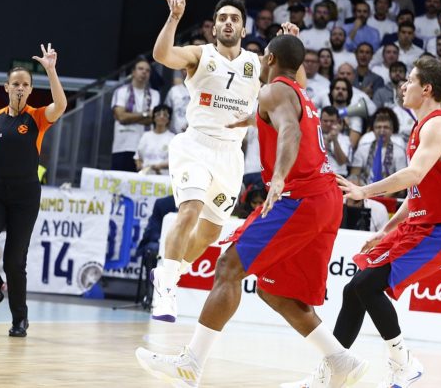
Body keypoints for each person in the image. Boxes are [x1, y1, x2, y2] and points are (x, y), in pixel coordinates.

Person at [136, 34, 369, 388]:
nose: (258, 61)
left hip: (299, 198)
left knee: (229, 266)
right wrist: (248, 122)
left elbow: (289, 130)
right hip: (325, 200)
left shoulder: (273, 90)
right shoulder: (301, 95)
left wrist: (277, 177)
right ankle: (341, 360)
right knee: (275, 290)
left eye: (262, 57)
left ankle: (191, 363)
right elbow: (283, 120)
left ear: (271, 58)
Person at [323, 56, 441, 388]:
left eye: (410, 81)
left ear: (426, 88)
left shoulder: (438, 125)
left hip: (436, 232)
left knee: (365, 285)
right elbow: (417, 192)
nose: (403, 86)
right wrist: (386, 231)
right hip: (415, 226)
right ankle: (332, 371)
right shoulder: (420, 127)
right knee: (353, 289)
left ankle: (403, 363)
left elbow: (412, 175)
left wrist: (363, 191)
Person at [147, 0, 267, 323]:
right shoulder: (201, 55)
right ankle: (166, 290)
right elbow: (162, 54)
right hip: (195, 147)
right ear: (214, 27)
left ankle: (168, 272)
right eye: (223, 18)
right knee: (189, 211)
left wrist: (291, 47)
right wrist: (174, 18)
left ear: (244, 29)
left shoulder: (257, 64)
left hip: (230, 155)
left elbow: (294, 88)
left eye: (235, 19)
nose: (228, 22)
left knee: (211, 233)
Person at [0, 43, 67, 337]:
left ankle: (19, 319)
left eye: (26, 85)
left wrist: (50, 71)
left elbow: (60, 105)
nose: (21, 88)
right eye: (16, 84)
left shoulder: (37, 117)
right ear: (6, 88)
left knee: (15, 260)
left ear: (30, 89)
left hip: (25, 197)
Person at [111, 58, 161, 171]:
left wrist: (130, 116)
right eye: (140, 69)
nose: (144, 72)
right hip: (122, 147)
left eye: (148, 70)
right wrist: (145, 114)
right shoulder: (121, 91)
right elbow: (121, 117)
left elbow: (153, 119)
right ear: (133, 72)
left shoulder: (155, 94)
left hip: (146, 149)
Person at [134, 105, 175, 175]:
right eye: (158, 114)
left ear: (169, 120)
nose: (161, 117)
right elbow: (137, 157)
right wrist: (140, 166)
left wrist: (160, 166)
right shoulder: (146, 136)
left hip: (164, 178)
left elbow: (175, 160)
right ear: (153, 118)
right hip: (145, 177)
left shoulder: (173, 138)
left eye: (165, 115)